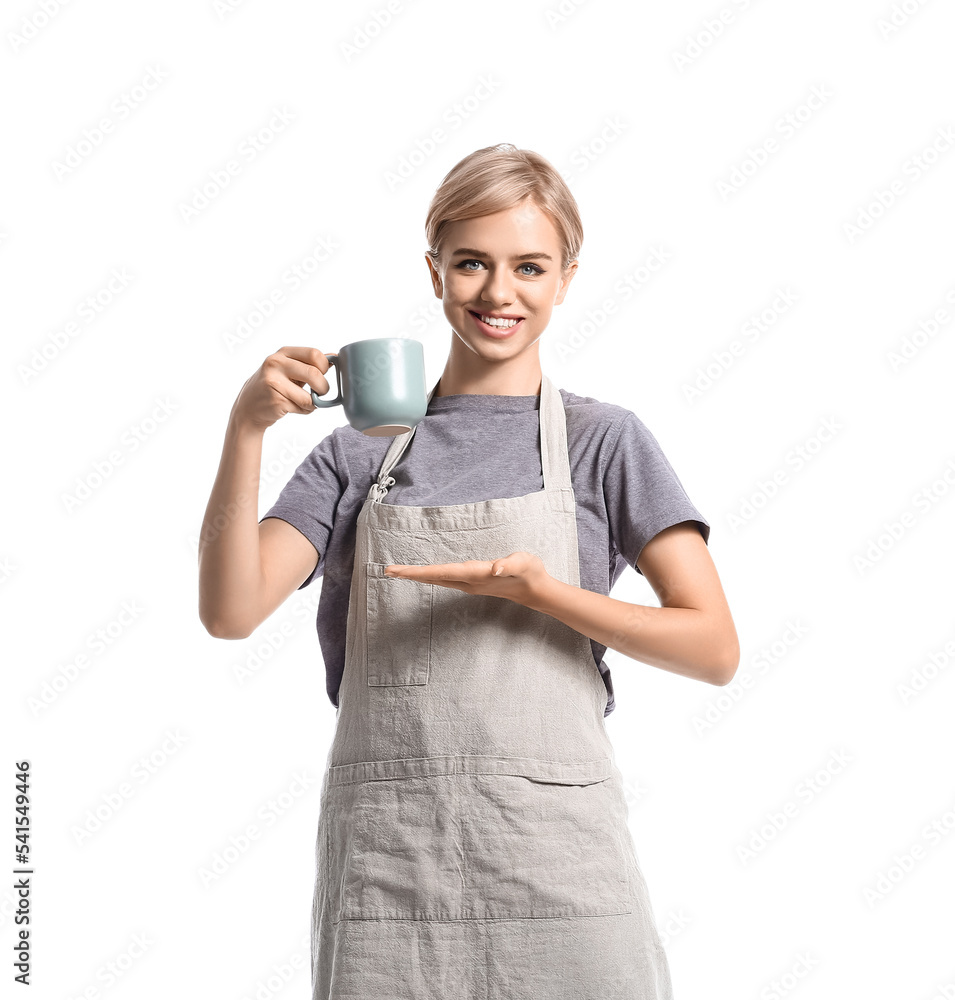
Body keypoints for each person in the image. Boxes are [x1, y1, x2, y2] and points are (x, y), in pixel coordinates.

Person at [198, 142, 739, 999]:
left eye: (528, 266)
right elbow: (229, 610)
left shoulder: (604, 442)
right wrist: (246, 430)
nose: (498, 293)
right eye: (471, 264)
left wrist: (543, 594)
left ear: (565, 277)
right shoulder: (353, 456)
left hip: (560, 861)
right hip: (390, 865)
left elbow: (712, 647)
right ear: (434, 270)